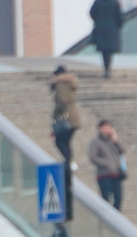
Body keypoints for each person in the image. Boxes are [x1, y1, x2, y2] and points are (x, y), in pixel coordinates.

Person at [49, 65, 82, 215]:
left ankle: (68, 163)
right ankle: (69, 162)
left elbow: (61, 102)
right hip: (74, 118)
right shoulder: (70, 83)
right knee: (66, 142)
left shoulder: (61, 84)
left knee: (59, 141)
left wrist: (55, 114)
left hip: (65, 119)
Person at [88, 120, 125, 210]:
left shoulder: (113, 141)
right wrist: (106, 163)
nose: (107, 130)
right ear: (100, 129)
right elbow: (93, 157)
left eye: (109, 127)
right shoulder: (95, 142)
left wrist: (116, 141)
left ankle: (116, 218)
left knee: (118, 199)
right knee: (105, 199)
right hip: (104, 175)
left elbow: (122, 151)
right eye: (105, 127)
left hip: (116, 174)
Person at [89, 0, 123, 78]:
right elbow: (120, 16)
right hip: (112, 28)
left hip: (101, 28)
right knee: (109, 51)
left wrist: (98, 19)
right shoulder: (114, 2)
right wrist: (117, 25)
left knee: (104, 51)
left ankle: (106, 68)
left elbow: (92, 13)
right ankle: (107, 69)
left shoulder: (98, 2)